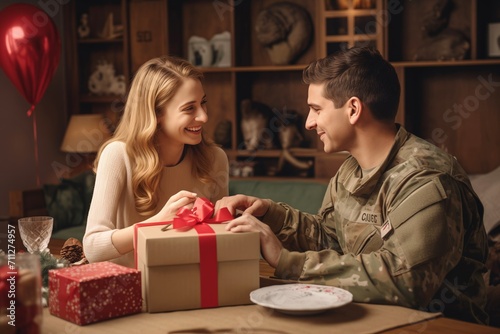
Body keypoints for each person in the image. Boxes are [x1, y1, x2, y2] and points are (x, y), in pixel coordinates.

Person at [215, 47, 489, 324]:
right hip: (370, 319)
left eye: (316, 109)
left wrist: (287, 261)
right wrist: (270, 215)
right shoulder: (351, 169)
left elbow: (407, 282)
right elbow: (332, 239)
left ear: (354, 109)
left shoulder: (426, 178)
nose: (309, 123)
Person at [84, 56, 229, 268]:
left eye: (203, 103)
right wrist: (159, 221)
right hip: (131, 290)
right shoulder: (117, 155)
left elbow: (219, 239)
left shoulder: (215, 158)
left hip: (192, 283)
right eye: (189, 108)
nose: (204, 117)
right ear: (156, 113)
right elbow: (94, 247)